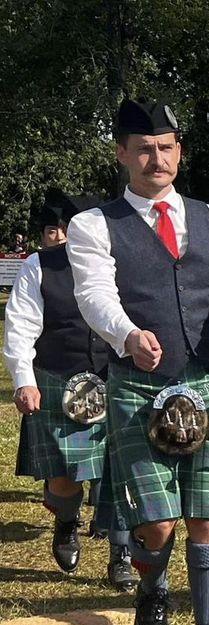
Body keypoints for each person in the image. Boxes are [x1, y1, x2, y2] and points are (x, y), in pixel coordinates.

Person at [66, 99, 209, 625]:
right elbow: (94, 294)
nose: (158, 157)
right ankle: (153, 589)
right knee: (156, 525)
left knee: (208, 518)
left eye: (167, 146)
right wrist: (128, 335)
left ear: (179, 149)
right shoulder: (93, 224)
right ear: (122, 154)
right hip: (138, 386)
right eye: (145, 148)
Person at [4, 196, 134, 590]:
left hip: (118, 378)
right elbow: (21, 324)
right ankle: (66, 520)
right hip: (59, 379)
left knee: (121, 472)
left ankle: (122, 553)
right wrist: (24, 378)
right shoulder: (39, 265)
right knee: (64, 479)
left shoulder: (123, 263)